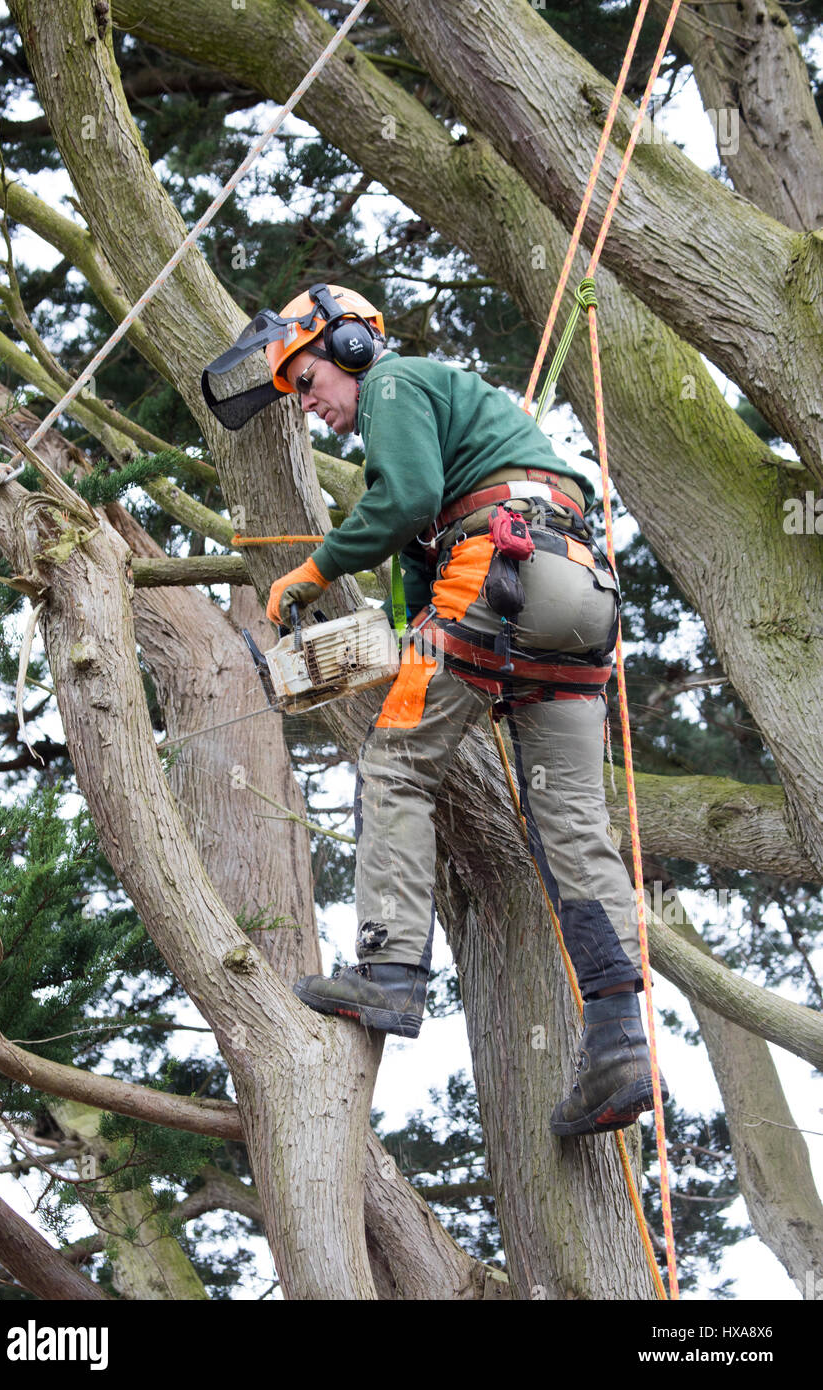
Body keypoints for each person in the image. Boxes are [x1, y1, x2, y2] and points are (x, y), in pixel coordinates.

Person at [203, 283, 667, 1136]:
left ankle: (387, 973)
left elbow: (407, 500)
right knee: (573, 823)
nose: (317, 410)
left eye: (309, 385)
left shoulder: (392, 383)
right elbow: (421, 572)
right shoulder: (448, 415)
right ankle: (618, 1045)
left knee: (397, 761)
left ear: (348, 348)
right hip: (580, 597)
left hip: (500, 567)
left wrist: (310, 572)